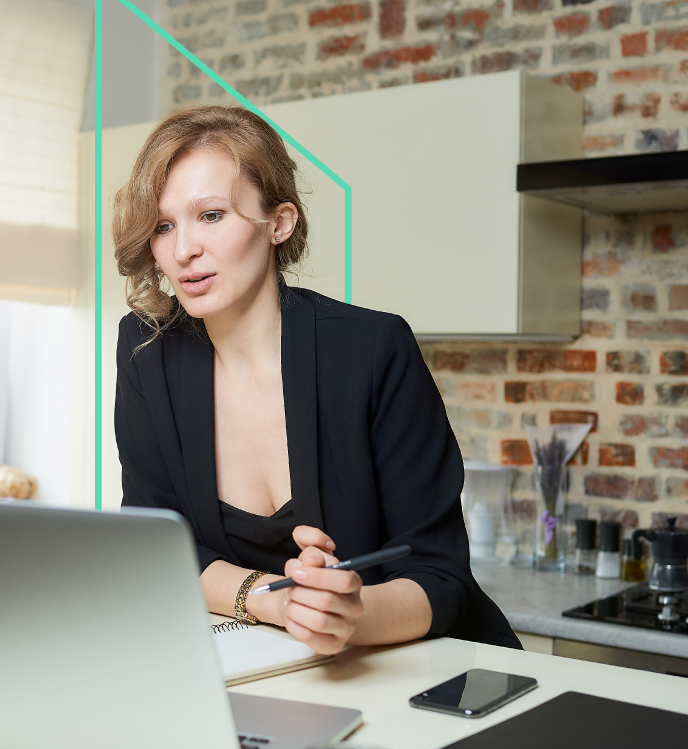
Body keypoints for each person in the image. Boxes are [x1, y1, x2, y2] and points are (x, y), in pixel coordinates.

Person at [112, 105, 519, 655]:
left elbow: (441, 577)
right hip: (281, 680)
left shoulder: (374, 351)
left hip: (431, 678)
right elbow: (156, 550)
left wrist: (353, 613)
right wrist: (272, 599)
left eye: (211, 215)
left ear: (280, 222)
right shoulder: (147, 353)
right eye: (164, 226)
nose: (183, 250)